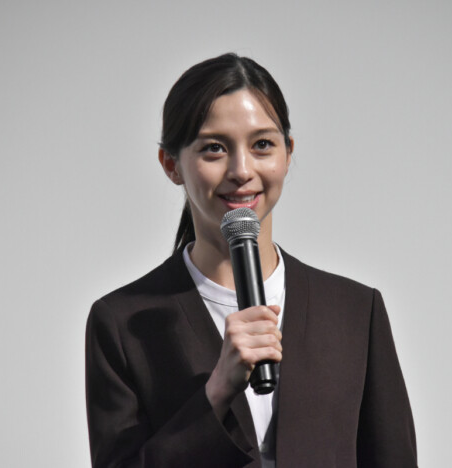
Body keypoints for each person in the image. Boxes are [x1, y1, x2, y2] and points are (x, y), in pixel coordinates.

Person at [85, 53, 417, 468]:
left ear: (288, 153)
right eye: (214, 148)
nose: (241, 170)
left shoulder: (354, 310)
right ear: (172, 165)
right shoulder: (121, 322)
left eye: (262, 145)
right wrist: (216, 391)